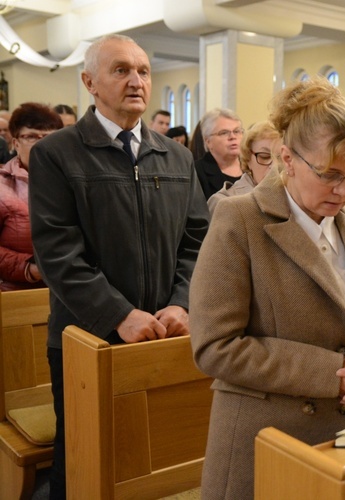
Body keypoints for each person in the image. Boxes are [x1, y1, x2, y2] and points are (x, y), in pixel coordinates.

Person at [189, 77, 345, 499]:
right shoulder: (241, 219)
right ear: (288, 158)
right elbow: (215, 345)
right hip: (268, 435)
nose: (343, 190)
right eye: (330, 174)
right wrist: (333, 374)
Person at [28, 34, 209, 499]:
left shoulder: (177, 155)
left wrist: (182, 303)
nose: (136, 80)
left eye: (144, 71)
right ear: (89, 81)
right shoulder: (58, 154)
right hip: (90, 337)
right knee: (84, 460)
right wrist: (119, 315)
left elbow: (197, 241)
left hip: (165, 334)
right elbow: (58, 254)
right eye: (121, 70)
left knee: (152, 464)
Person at [0, 103, 62, 291]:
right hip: (18, 296)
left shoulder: (74, 182)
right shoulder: (3, 186)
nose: (41, 143)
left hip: (71, 293)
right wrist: (30, 269)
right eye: (31, 136)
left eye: (48, 137)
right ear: (16, 143)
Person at [207, 120, 281, 217]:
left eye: (281, 158)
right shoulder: (224, 202)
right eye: (264, 156)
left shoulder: (295, 200)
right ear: (248, 158)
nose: (274, 166)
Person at [194, 108, 243, 199]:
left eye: (236, 131)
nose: (232, 137)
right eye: (224, 133)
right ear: (208, 141)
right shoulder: (196, 172)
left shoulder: (251, 166)